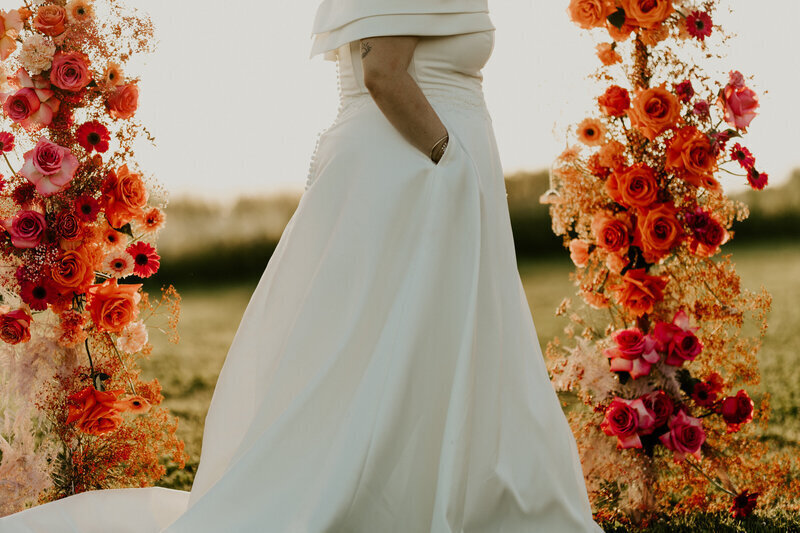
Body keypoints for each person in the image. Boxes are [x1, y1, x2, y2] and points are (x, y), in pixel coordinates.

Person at [0, 0, 604, 531]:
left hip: (423, 171)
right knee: (395, 342)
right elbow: (383, 74)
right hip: (420, 174)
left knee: (426, 341)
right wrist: (449, 159)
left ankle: (442, 489)